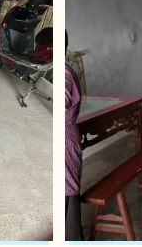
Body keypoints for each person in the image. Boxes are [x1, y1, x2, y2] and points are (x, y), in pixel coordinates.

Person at [65, 31, 83, 241]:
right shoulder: (66, 71)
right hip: (67, 138)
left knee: (67, 196)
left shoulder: (64, 73)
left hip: (65, 142)